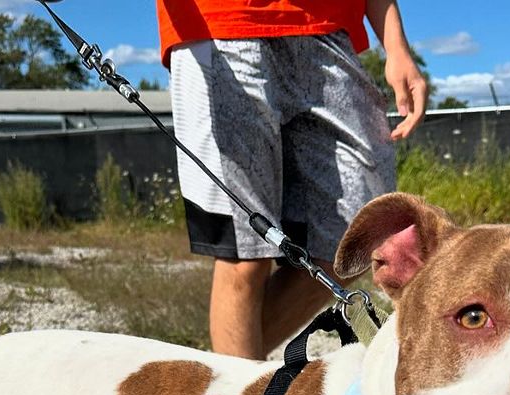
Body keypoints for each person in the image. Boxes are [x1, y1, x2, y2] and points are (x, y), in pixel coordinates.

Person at [157, 0, 427, 360]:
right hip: (220, 25)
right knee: (246, 254)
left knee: (358, 239)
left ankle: (217, 378)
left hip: (329, 27)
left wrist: (395, 46)